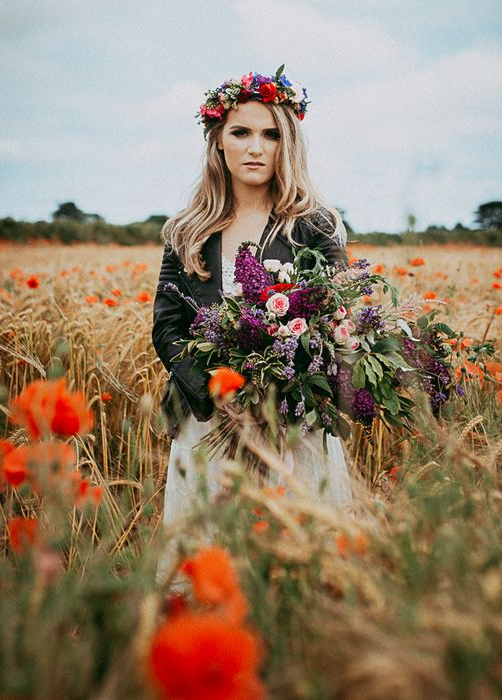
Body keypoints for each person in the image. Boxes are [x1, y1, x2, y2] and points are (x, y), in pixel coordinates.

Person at [151, 67, 353, 545]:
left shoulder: (315, 225)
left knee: (297, 553)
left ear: (288, 144)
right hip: (209, 424)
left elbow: (335, 315)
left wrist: (275, 393)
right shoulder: (188, 229)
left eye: (271, 134)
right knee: (208, 554)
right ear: (218, 140)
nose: (256, 147)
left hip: (292, 425)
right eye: (241, 132)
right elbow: (166, 325)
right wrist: (214, 393)